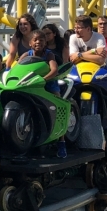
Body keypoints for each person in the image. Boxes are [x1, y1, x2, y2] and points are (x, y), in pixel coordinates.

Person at [19, 30, 66, 158]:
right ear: (30, 43)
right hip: (31, 85)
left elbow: (54, 70)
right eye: (35, 40)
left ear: (45, 43)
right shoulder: (25, 55)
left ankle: (62, 142)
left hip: (48, 84)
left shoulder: (48, 55)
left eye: (41, 40)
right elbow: (16, 68)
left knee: (58, 105)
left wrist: (44, 79)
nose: (38, 42)